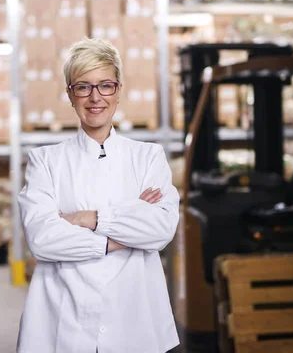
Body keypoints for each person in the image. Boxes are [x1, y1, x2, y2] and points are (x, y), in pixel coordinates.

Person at [16, 38, 180, 353]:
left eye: (105, 85)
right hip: (61, 321)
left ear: (118, 90)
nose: (95, 97)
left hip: (133, 320)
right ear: (70, 94)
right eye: (83, 87)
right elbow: (41, 238)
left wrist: (89, 219)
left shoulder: (148, 157)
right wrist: (119, 236)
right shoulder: (46, 161)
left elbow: (160, 230)